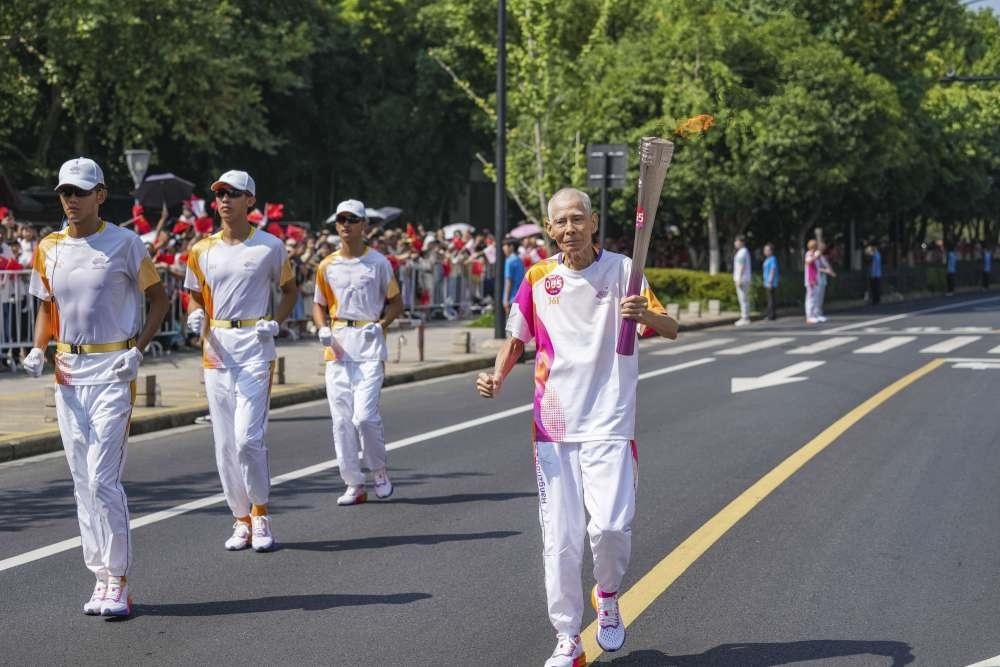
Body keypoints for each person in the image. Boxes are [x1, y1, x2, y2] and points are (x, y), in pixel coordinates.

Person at [475, 188, 678, 667]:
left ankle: (606, 593)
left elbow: (670, 327)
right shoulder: (537, 277)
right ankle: (567, 637)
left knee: (610, 527)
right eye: (561, 222)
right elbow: (516, 338)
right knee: (560, 540)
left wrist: (644, 314)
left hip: (610, 419)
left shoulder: (624, 270)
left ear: (594, 222)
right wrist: (497, 376)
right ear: (550, 229)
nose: (570, 229)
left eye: (577, 219)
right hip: (554, 425)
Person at [23, 157, 169, 617]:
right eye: (65, 192)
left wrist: (138, 350)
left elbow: (159, 300)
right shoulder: (49, 247)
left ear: (100, 195)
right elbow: (46, 306)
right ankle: (100, 576)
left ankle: (119, 578)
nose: (70, 199)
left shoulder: (125, 243)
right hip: (68, 372)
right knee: (82, 483)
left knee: (103, 479)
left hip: (112, 371)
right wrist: (37, 347)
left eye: (80, 192)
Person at [184, 170, 297, 552]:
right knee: (225, 444)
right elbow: (194, 294)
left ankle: (261, 512)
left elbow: (289, 290)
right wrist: (195, 315)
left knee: (248, 438)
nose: (225, 200)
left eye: (233, 193)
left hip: (254, 346)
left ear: (250, 200)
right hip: (217, 348)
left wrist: (275, 322)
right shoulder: (201, 249)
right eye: (220, 194)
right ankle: (240, 518)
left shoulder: (269, 246)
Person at [313, 199, 403, 506]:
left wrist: (381, 325)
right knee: (341, 421)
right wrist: (322, 328)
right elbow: (318, 304)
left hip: (368, 344)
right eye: (341, 219)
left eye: (352, 219)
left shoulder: (378, 263)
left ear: (364, 224)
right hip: (338, 346)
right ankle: (353, 482)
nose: (346, 225)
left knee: (364, 416)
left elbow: (396, 302)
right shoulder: (327, 265)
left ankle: (379, 471)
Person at [502, 236, 526, 315]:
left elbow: (508, 281)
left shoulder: (509, 261)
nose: (503, 248)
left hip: (512, 298)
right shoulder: (519, 260)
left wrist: (505, 300)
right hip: (521, 297)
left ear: (511, 247)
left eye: (505, 246)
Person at [814, 241, 836, 323]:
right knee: (817, 297)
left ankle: (819, 313)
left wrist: (830, 271)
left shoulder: (821, 256)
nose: (824, 249)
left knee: (821, 297)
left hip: (822, 278)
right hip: (817, 278)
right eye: (822, 247)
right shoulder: (816, 255)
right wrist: (826, 270)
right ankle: (816, 314)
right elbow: (816, 267)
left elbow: (826, 265)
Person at [732, 235, 751, 325]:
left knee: (742, 299)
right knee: (743, 299)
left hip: (742, 279)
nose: (735, 243)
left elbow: (742, 266)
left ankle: (745, 317)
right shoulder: (743, 252)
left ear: (742, 242)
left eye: (737, 241)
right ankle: (745, 316)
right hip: (744, 278)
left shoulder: (742, 252)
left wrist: (739, 279)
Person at [761, 243, 778, 321]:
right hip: (766, 281)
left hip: (770, 282)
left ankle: (771, 315)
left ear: (771, 251)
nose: (765, 251)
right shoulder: (767, 259)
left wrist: (770, 281)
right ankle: (772, 314)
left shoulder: (772, 259)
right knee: (770, 299)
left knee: (770, 299)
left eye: (767, 250)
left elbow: (772, 269)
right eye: (765, 250)